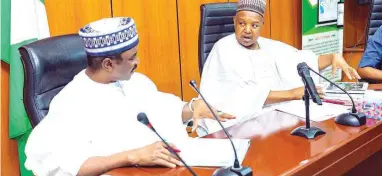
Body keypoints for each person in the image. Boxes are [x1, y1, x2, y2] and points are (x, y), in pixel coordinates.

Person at [24, 17, 235, 176]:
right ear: (108, 64)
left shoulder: (135, 81)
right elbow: (74, 165)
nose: (138, 61)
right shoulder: (70, 102)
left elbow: (162, 110)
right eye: (132, 57)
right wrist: (134, 155)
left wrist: (192, 107)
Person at [198, 0, 360, 134]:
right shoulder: (224, 48)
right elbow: (241, 96)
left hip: (270, 116)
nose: (247, 30)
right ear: (234, 21)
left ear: (262, 25)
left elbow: (303, 62)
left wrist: (332, 57)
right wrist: (291, 93)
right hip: (237, 124)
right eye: (242, 23)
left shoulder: (268, 45)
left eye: (254, 25)